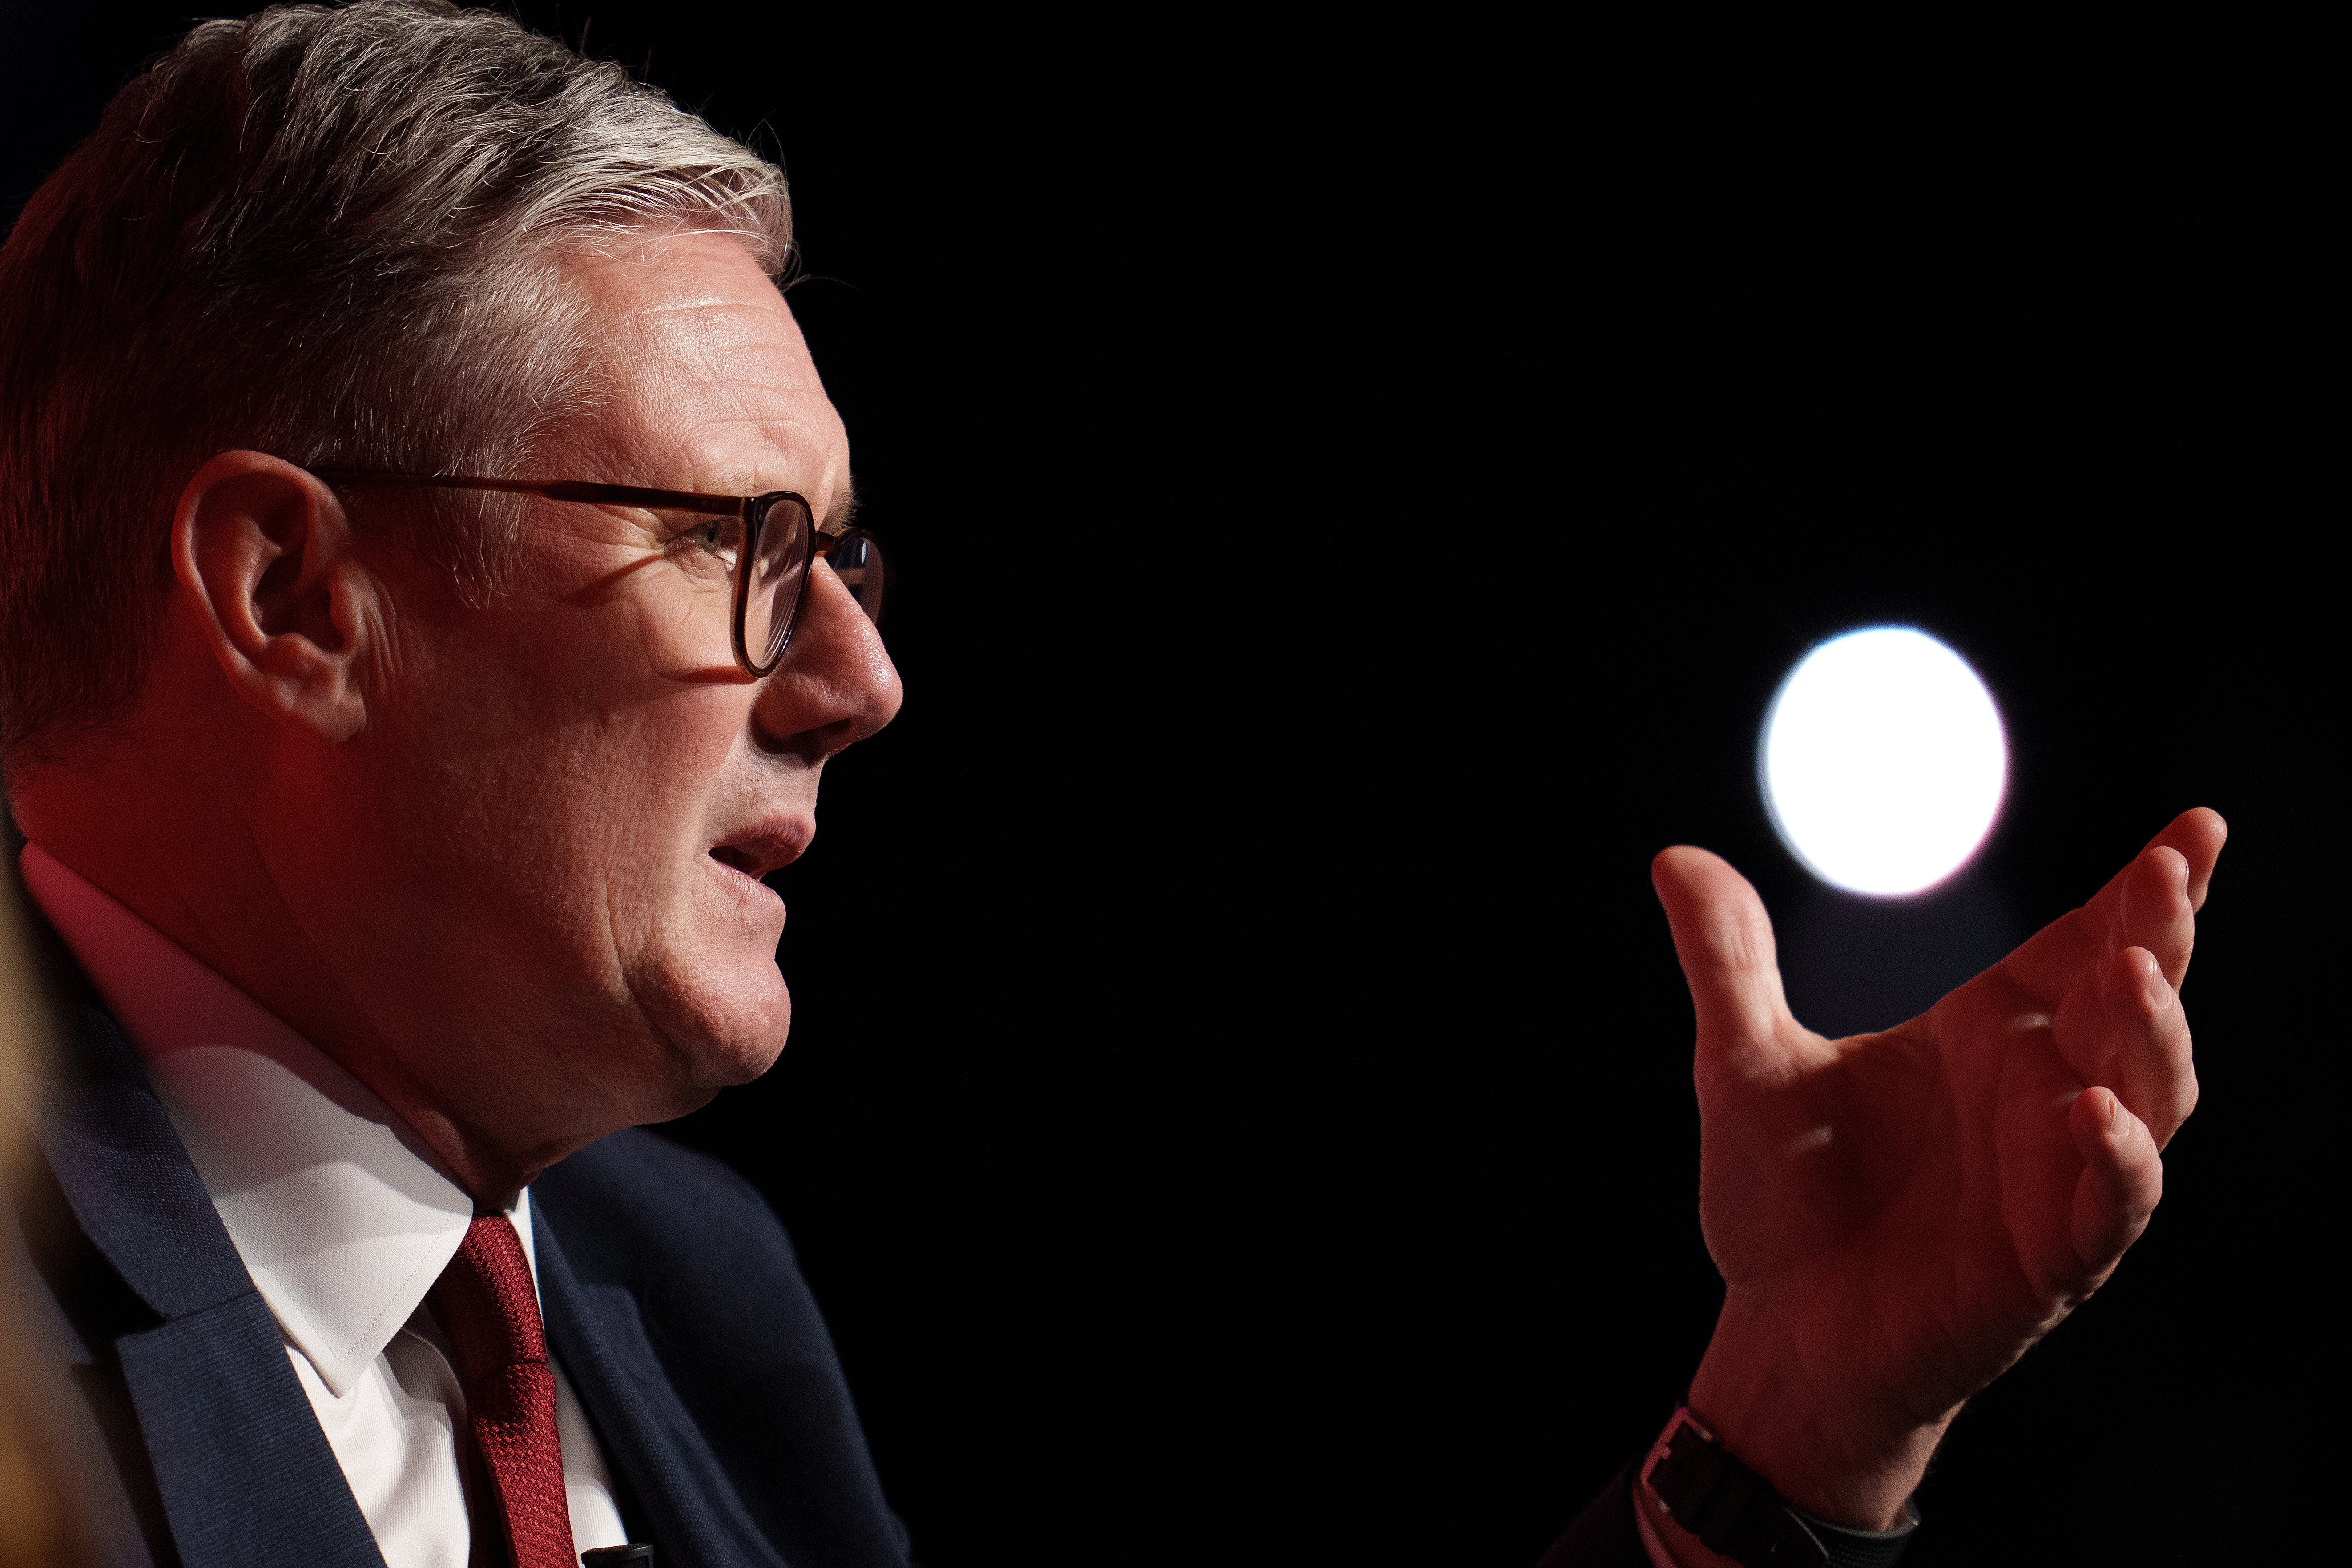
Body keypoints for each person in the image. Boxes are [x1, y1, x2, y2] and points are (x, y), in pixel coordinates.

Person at [0, 6, 2225, 1568]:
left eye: (843, 556)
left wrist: (1786, 1442)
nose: (861, 680)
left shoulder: (690, 1291)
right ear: (291, 592)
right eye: (730, 548)